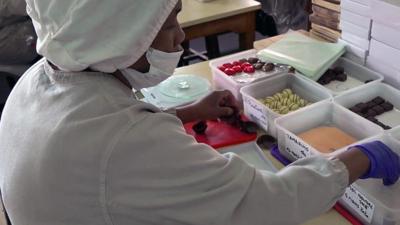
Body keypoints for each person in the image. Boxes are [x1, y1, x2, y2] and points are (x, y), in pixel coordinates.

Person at [0, 1, 399, 225]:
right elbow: (266, 202)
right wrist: (363, 156)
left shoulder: (38, 80)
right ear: (116, 36)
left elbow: (106, 147)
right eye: (167, 20)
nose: (181, 34)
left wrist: (190, 110)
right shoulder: (126, 141)